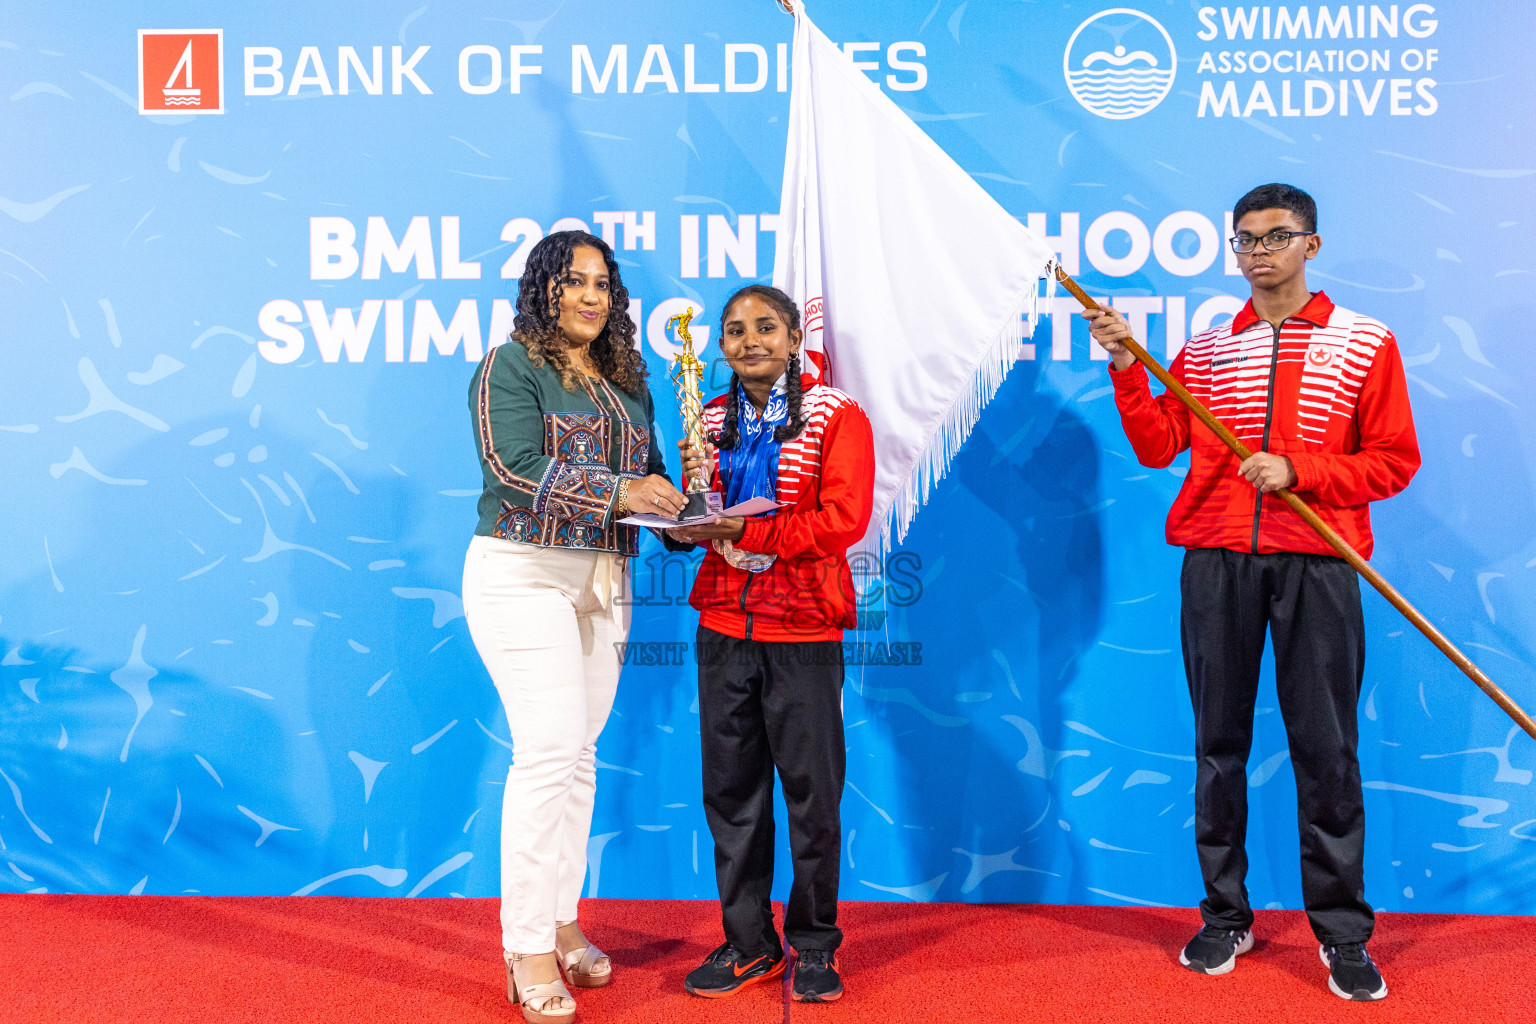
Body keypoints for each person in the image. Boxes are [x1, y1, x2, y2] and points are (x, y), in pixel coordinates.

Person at [1085, 184, 1419, 1002]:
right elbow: (1160, 443)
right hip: (1216, 564)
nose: (1259, 251)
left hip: (1321, 561)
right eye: (1245, 239)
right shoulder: (1204, 350)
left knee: (1328, 750)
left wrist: (1302, 470)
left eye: (1276, 236)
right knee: (1218, 745)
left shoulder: (1365, 341)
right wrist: (1129, 367)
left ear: (1312, 244)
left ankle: (1342, 933)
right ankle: (1225, 915)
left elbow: (1394, 460)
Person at [462, 230, 687, 1023]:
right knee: (549, 751)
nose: (592, 296)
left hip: (606, 577)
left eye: (604, 283)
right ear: (543, 289)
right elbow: (513, 470)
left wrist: (689, 515)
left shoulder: (629, 381)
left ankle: (561, 921)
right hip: (521, 572)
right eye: (574, 281)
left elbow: (651, 478)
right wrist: (627, 496)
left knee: (580, 758)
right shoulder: (508, 367)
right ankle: (524, 947)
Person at [666, 285, 874, 1004]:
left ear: (793, 337)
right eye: (733, 330)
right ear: (719, 347)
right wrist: (678, 522)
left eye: (764, 327)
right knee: (730, 794)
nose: (749, 340)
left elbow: (843, 519)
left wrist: (745, 533)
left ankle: (814, 944)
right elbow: (697, 511)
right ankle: (748, 943)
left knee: (812, 796)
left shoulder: (836, 415)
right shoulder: (706, 415)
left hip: (804, 628)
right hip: (723, 625)